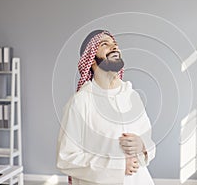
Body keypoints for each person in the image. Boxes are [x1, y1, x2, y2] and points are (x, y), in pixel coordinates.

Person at [56, 30, 156, 185]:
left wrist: (142, 145)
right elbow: (66, 157)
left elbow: (148, 141)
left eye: (115, 44)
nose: (114, 47)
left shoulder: (132, 96)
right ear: (91, 59)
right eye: (105, 44)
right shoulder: (81, 102)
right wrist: (117, 166)